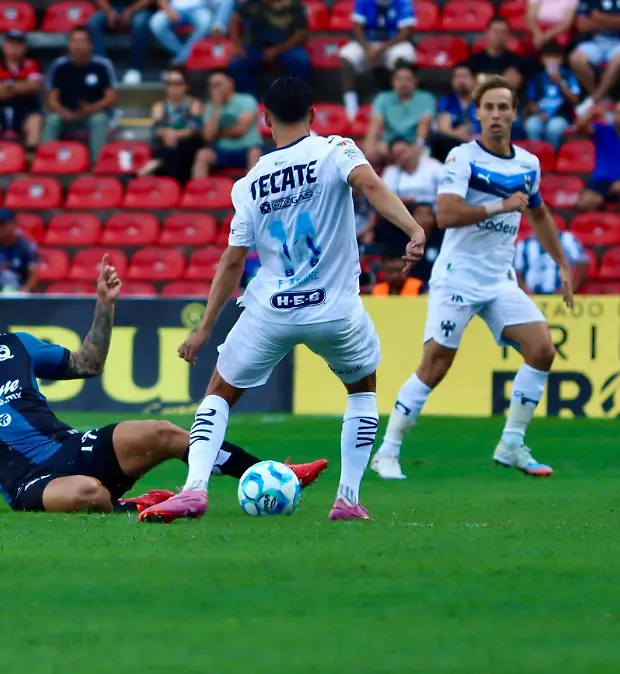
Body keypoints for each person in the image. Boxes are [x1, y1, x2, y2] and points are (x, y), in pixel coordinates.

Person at [139, 77, 426, 524]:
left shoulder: (250, 184)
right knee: (362, 391)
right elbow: (371, 186)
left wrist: (203, 330)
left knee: (218, 393)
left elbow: (233, 262)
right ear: (313, 115)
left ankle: (194, 489)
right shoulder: (336, 151)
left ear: (265, 119)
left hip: (273, 311)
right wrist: (413, 229)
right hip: (335, 310)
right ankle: (347, 498)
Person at [0, 280, 329, 512]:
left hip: (74, 446)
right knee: (88, 495)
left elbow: (88, 364)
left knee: (166, 432)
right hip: (30, 483)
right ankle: (136, 506)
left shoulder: (13, 346)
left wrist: (105, 305)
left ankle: (275, 473)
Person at [372, 75, 574, 484]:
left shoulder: (527, 163)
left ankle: (511, 444)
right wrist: (501, 205)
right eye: (489, 107)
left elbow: (539, 213)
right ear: (477, 113)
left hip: (500, 280)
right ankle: (387, 451)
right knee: (435, 366)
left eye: (504, 107)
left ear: (515, 114)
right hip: (458, 277)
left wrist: (563, 264)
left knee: (542, 349)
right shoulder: (463, 158)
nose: (496, 114)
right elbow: (445, 215)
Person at [42, 28, 119, 162]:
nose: (78, 46)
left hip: (93, 113)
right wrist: (63, 111)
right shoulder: (59, 66)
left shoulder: (103, 65)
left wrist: (92, 108)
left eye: (82, 41)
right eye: (74, 41)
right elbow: (52, 99)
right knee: (52, 120)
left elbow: (112, 97)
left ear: (91, 45)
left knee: (99, 120)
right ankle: (46, 162)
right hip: (66, 114)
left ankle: (97, 164)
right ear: (69, 45)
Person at [338, 0, 417, 119]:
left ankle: (398, 103)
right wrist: (367, 48)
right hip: (368, 44)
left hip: (393, 45)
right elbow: (357, 27)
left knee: (403, 57)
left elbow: (406, 33)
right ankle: (351, 108)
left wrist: (382, 48)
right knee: (346, 56)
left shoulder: (403, 2)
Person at [574, 101, 620, 218]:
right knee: (584, 203)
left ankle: (616, 226)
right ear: (613, 115)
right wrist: (593, 111)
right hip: (600, 181)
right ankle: (603, 225)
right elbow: (579, 125)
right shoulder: (602, 131)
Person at [569, 0, 620, 115]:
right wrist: (617, 21)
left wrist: (599, 16)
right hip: (594, 42)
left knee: (619, 60)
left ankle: (593, 100)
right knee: (576, 59)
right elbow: (583, 25)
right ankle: (599, 98)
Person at [228, 0, 311, 94]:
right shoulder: (252, 3)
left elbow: (300, 33)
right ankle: (249, 100)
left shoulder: (294, 4)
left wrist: (277, 50)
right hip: (256, 48)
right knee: (237, 64)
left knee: (301, 61)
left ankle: (295, 99)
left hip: (286, 48)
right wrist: (238, 47)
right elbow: (234, 20)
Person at [193, 70, 262, 179]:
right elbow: (208, 136)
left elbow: (240, 130)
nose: (215, 88)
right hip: (223, 151)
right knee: (202, 155)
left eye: (218, 84)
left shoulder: (247, 100)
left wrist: (218, 134)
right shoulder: (210, 107)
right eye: (211, 85)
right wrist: (217, 106)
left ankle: (251, 190)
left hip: (246, 149)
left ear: (230, 83)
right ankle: (200, 192)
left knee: (255, 152)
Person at [141, 65, 204, 183]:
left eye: (177, 83)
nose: (173, 87)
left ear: (186, 85)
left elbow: (193, 128)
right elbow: (157, 128)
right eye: (169, 83)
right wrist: (167, 134)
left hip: (188, 145)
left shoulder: (194, 104)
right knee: (168, 149)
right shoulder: (159, 106)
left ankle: (156, 165)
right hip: (166, 145)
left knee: (179, 149)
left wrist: (174, 135)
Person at [364, 64, 436, 162]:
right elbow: (375, 125)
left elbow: (425, 123)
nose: (403, 83)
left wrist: (417, 147)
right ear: (393, 81)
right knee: (374, 151)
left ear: (416, 80)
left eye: (408, 79)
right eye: (399, 79)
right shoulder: (383, 98)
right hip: (389, 145)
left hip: (414, 142)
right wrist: (370, 149)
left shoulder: (426, 98)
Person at [524, 43, 581, 148]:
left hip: (561, 117)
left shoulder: (568, 76)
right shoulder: (537, 78)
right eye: (548, 56)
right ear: (542, 59)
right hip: (540, 115)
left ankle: (552, 155)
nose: (552, 60)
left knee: (554, 128)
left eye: (556, 56)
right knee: (531, 125)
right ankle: (537, 155)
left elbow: (575, 99)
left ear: (561, 59)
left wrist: (560, 82)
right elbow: (531, 102)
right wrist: (538, 113)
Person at [87, 0, 152, 85]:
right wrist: (109, 11)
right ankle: (101, 67)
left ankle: (135, 68)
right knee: (93, 22)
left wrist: (131, 10)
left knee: (140, 23)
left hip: (140, 9)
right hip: (112, 8)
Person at [514, 226, 589, 295]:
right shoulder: (523, 245)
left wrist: (570, 289)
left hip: (560, 295)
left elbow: (582, 264)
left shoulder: (566, 239)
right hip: (532, 297)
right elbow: (517, 272)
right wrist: (525, 290)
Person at [428, 63, 480, 162]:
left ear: (474, 80)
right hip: (453, 149)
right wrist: (459, 135)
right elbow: (443, 128)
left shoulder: (482, 102)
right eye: (457, 77)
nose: (461, 81)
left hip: (480, 147)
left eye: (465, 76)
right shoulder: (446, 102)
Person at [0, 209, 39, 293]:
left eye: (3, 224)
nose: (0, 228)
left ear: (14, 224)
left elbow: (33, 275)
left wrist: (23, 291)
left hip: (22, 294)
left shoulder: (27, 247)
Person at [149, 0, 217, 67]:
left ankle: (180, 61)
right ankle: (184, 57)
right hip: (175, 8)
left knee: (206, 23)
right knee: (157, 23)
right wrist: (168, 10)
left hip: (200, 9)